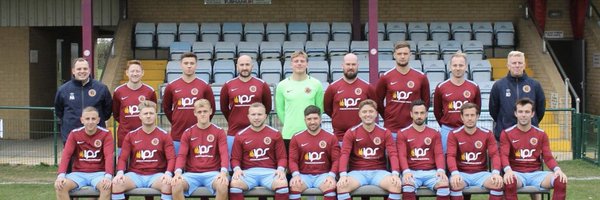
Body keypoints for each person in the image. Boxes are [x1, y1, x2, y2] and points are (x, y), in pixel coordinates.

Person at [500, 98, 567, 200]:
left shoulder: (541, 134)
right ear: (515, 113)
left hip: (537, 174)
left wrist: (557, 170)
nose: (523, 115)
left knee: (560, 180)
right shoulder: (506, 133)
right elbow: (503, 155)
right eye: (520, 112)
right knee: (510, 181)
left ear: (532, 114)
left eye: (527, 112)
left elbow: (548, 157)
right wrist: (508, 171)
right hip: (517, 174)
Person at [336, 99, 402, 200]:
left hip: (379, 172)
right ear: (359, 114)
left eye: (371, 111)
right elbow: (344, 154)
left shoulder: (385, 132)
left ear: (376, 114)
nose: (368, 114)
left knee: (396, 185)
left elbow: (393, 154)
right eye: (364, 112)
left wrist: (395, 174)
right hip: (357, 173)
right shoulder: (351, 132)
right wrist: (343, 175)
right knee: (341, 186)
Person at [112, 100, 175, 200]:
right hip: (135, 175)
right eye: (145, 113)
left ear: (155, 115)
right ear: (140, 116)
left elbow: (171, 159)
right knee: (117, 184)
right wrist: (119, 173)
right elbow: (122, 158)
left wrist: (168, 174)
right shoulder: (131, 135)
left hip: (156, 175)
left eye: (151, 113)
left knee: (168, 185)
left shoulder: (164, 135)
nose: (148, 116)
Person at [171, 99, 229, 200]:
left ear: (210, 111)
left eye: (205, 111)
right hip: (191, 174)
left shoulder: (219, 132)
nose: (202, 114)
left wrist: (223, 172)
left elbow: (224, 153)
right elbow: (181, 155)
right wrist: (177, 173)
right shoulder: (188, 132)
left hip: (212, 173)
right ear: (195, 113)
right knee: (176, 185)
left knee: (223, 185)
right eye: (199, 112)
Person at [229, 102, 289, 200]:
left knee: (282, 183)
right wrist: (237, 169)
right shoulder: (240, 135)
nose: (256, 117)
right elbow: (235, 158)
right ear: (248, 116)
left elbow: (282, 157)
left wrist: (280, 169)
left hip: (270, 173)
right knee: (235, 183)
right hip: (248, 173)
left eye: (259, 114)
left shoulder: (275, 134)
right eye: (253, 114)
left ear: (265, 116)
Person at [54, 107, 114, 200]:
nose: (90, 122)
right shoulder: (74, 134)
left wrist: (108, 176)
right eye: (87, 119)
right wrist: (61, 175)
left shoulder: (106, 134)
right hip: (78, 174)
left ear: (98, 120)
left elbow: (109, 156)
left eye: (93, 119)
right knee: (60, 186)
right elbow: (66, 155)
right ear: (82, 120)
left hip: (99, 174)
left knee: (106, 187)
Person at [446, 103, 503, 200]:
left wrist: (496, 172)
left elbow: (495, 155)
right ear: (462, 117)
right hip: (461, 173)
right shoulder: (454, 134)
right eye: (467, 115)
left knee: (498, 184)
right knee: (455, 184)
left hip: (481, 174)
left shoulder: (487, 134)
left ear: (477, 116)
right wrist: (455, 173)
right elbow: (451, 156)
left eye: (472, 115)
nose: (469, 118)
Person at [162, 52, 215, 153]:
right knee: (178, 165)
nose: (189, 66)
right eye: (186, 63)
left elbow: (211, 108)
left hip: (199, 134)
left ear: (196, 65)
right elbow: (166, 108)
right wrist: (176, 121)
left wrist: (202, 122)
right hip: (178, 134)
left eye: (192, 63)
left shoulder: (204, 86)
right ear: (181, 65)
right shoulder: (171, 86)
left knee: (197, 165)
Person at [375, 41, 430, 138]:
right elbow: (377, 101)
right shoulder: (386, 77)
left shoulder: (421, 77)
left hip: (414, 129)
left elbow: (426, 102)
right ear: (394, 55)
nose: (402, 56)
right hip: (392, 130)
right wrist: (387, 116)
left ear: (410, 55)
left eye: (405, 53)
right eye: (399, 54)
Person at [220, 55, 272, 157]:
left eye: (247, 64)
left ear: (252, 66)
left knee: (254, 161)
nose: (244, 68)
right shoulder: (228, 85)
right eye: (242, 65)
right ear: (237, 66)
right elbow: (224, 108)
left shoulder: (262, 85)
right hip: (234, 132)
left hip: (257, 132)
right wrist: (233, 119)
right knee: (234, 164)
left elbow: (267, 108)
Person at [397, 99, 449, 200]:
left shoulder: (434, 133)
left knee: (444, 185)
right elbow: (402, 155)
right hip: (412, 172)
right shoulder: (402, 133)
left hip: (431, 172)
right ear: (411, 114)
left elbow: (438, 154)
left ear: (426, 114)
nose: (419, 116)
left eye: (422, 113)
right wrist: (406, 171)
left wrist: (441, 170)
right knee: (407, 185)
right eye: (416, 113)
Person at [490, 51, 545, 140]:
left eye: (520, 63)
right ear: (508, 65)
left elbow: (540, 110)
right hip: (505, 135)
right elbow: (493, 110)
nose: (517, 65)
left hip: (530, 136)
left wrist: (528, 122)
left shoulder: (535, 85)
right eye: (514, 63)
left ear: (524, 65)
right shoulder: (499, 85)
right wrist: (505, 121)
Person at [55, 58, 112, 144]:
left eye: (85, 69)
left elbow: (107, 111)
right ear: (73, 71)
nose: (82, 71)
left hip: (96, 137)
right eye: (79, 69)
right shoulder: (63, 90)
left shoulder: (101, 88)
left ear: (89, 70)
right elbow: (59, 111)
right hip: (71, 137)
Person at [288, 105, 339, 200]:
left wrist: (331, 176)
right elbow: (292, 160)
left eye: (315, 118)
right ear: (305, 120)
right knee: (294, 186)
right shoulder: (296, 137)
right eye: (309, 119)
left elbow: (336, 160)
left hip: (323, 174)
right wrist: (295, 175)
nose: (312, 122)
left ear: (320, 119)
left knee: (330, 186)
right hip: (303, 175)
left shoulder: (331, 137)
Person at [433, 52, 481, 153]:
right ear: (450, 67)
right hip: (448, 130)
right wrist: (445, 123)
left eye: (461, 65)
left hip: (467, 130)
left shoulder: (474, 87)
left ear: (466, 67)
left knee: (467, 159)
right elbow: (437, 111)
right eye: (455, 65)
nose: (458, 68)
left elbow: (477, 109)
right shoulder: (441, 87)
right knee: (447, 159)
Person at [324, 53, 374, 142]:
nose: (350, 67)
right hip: (340, 138)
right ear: (342, 66)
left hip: (363, 136)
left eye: (353, 64)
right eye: (348, 64)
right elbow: (328, 109)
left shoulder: (367, 87)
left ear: (358, 66)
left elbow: (374, 107)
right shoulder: (333, 87)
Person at [276, 51, 324, 142]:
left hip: (311, 133)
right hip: (289, 134)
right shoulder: (282, 85)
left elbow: (320, 109)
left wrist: (312, 124)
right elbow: (280, 110)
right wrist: (290, 124)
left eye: (302, 61)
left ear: (307, 64)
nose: (299, 63)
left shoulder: (316, 84)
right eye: (296, 61)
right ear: (291, 64)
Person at [113, 60, 157, 153]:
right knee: (123, 165)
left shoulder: (150, 91)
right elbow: (117, 114)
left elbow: (153, 112)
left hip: (145, 136)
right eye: (132, 71)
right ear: (127, 73)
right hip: (124, 136)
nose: (135, 74)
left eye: (138, 71)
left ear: (142, 73)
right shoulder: (118, 91)